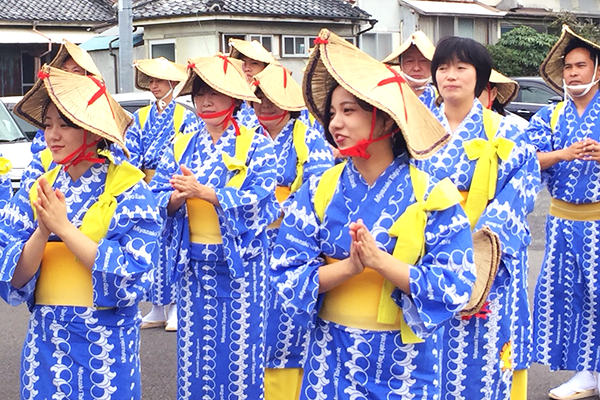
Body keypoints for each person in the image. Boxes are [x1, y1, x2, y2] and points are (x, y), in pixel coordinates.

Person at [270, 29, 477, 399]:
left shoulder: (432, 194)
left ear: (386, 121)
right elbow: (286, 271)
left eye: (349, 110)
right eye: (332, 113)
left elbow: (456, 282)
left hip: (406, 364)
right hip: (329, 357)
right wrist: (349, 267)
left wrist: (380, 262)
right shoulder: (319, 190)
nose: (335, 123)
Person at [0, 64, 162, 399]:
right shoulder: (39, 186)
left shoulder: (129, 189)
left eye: (65, 124)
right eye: (47, 125)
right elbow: (12, 276)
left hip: (104, 344)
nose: (52, 135)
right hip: (45, 343)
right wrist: (42, 232)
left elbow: (131, 277)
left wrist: (63, 228)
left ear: (91, 129)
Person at [414, 36, 539, 400]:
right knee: (427, 351)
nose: (450, 75)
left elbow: (522, 189)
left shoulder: (509, 132)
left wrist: (482, 244)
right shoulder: (414, 130)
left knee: (485, 353)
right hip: (429, 255)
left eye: (461, 68)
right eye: (443, 68)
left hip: (488, 256)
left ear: (481, 78)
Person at [149, 54, 279, 399]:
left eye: (215, 93)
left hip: (242, 266)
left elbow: (263, 197)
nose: (205, 101)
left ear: (234, 99)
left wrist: (206, 193)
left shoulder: (257, 144)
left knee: (241, 354)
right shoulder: (181, 145)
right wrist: (178, 198)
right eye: (200, 93)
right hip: (194, 264)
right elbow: (156, 197)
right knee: (196, 356)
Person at [250, 63, 334, 399]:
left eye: (273, 99)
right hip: (250, 240)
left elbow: (318, 186)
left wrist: (275, 210)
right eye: (258, 98)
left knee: (287, 324)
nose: (265, 105)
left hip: (292, 238)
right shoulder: (247, 136)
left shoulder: (307, 136)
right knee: (252, 325)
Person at [527, 25, 600, 400]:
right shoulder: (549, 116)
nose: (572, 73)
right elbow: (528, 160)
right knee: (568, 296)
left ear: (597, 69)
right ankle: (586, 373)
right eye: (568, 67)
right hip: (560, 219)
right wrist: (563, 154)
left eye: (581, 65)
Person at [127, 57, 197, 332]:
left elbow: (186, 153)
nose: (153, 86)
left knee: (177, 247)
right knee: (152, 248)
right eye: (151, 81)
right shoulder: (140, 116)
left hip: (173, 182)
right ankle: (157, 308)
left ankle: (177, 307)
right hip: (145, 183)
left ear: (171, 83)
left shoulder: (186, 117)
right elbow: (131, 151)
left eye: (158, 80)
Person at [478, 68, 533, 400]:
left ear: (491, 92)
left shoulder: (516, 132)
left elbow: (520, 193)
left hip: (499, 245)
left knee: (502, 331)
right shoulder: (434, 130)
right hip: (444, 247)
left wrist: (483, 241)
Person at [29, 39, 103, 155]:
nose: (69, 76)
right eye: (65, 71)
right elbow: (37, 154)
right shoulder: (52, 109)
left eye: (76, 71)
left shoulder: (101, 111)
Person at [382, 31, 438, 110]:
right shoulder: (387, 97)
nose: (416, 68)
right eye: (410, 61)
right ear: (401, 65)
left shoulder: (443, 97)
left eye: (423, 61)